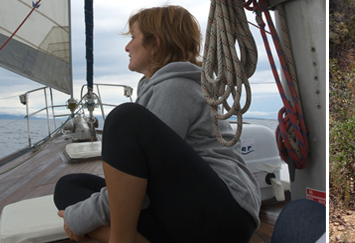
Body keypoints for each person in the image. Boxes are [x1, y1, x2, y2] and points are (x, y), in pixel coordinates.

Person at [52, 6, 261, 242]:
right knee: (69, 185)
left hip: (224, 216)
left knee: (124, 118)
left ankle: (120, 239)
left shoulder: (176, 89)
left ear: (155, 43)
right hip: (191, 210)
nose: (127, 47)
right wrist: (80, 218)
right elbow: (134, 188)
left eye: (133, 37)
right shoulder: (158, 88)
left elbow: (142, 188)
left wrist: (76, 221)